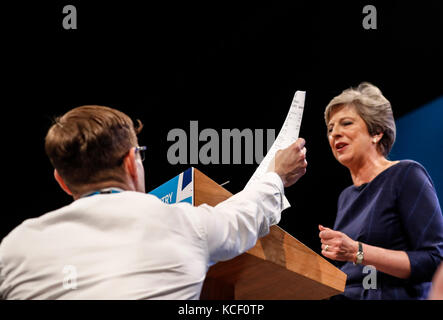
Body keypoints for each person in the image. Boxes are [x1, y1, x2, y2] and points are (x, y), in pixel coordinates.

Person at [0, 105, 307, 299]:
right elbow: (246, 215)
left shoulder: (14, 246)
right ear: (132, 162)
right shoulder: (182, 224)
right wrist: (277, 174)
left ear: (62, 181)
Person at [319, 82, 443, 299]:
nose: (335, 133)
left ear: (376, 133)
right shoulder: (346, 197)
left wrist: (357, 251)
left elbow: (434, 260)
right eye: (330, 128)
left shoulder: (406, 175)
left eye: (346, 123)